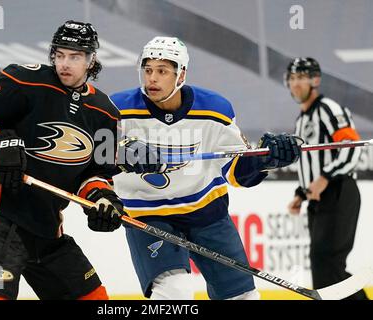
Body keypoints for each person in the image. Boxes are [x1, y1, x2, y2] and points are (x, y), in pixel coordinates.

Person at [111, 36, 301, 300]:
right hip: (147, 214)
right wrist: (120, 152)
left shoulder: (215, 110)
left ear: (181, 75)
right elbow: (93, 157)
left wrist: (265, 159)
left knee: (243, 297)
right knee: (174, 294)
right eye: (148, 70)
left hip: (206, 212)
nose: (152, 78)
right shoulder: (117, 109)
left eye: (162, 71)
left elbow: (235, 170)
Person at [0, 20, 125, 300]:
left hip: (47, 226)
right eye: (60, 54)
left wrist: (103, 200)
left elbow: (97, 174)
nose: (64, 63)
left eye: (75, 56)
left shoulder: (105, 114)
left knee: (95, 299)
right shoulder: (23, 80)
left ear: (92, 60)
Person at [285, 57, 369, 300]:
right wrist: (302, 194)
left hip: (339, 191)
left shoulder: (328, 109)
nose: (295, 83)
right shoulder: (301, 120)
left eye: (301, 77)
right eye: (292, 78)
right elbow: (310, 164)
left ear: (315, 80)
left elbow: (352, 146)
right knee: (323, 267)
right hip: (319, 199)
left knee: (328, 263)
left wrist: (324, 178)